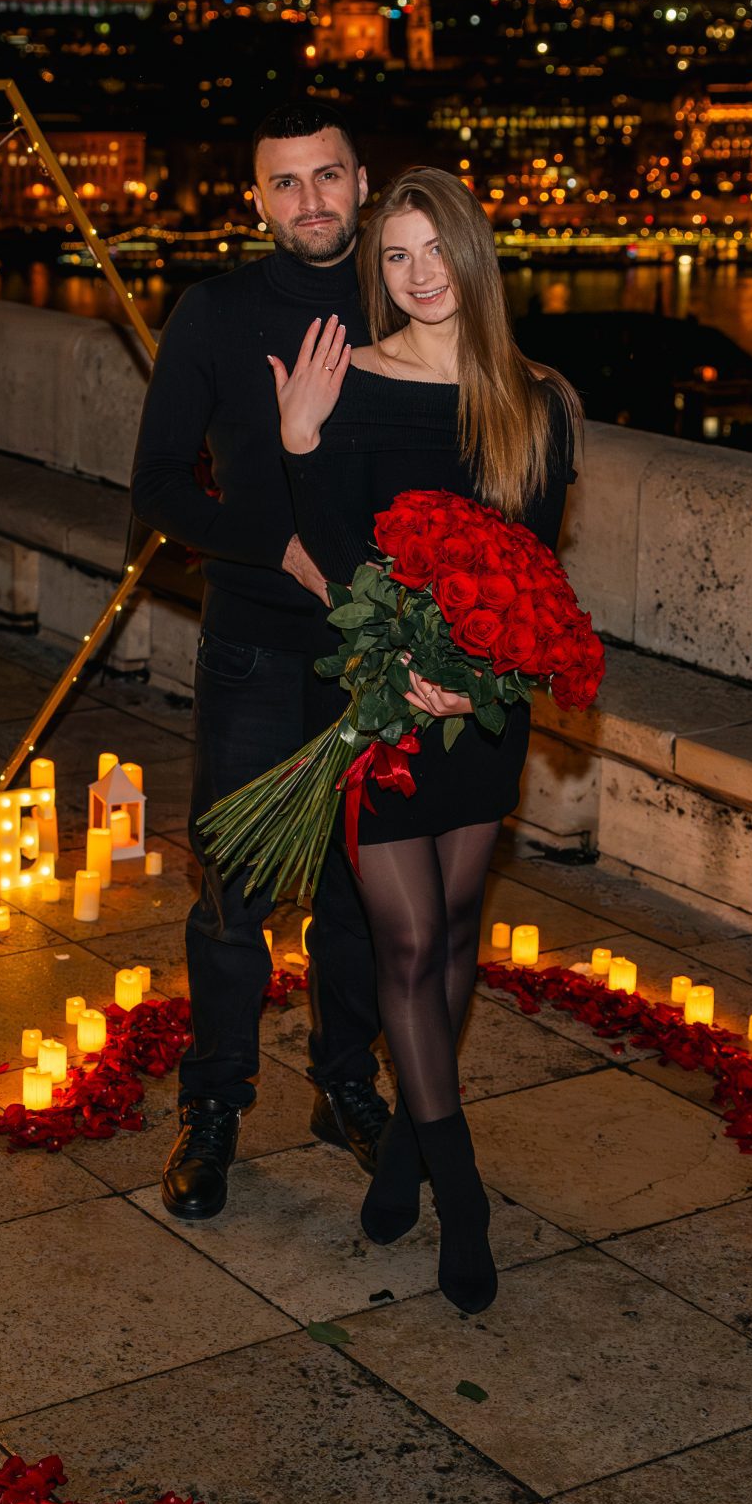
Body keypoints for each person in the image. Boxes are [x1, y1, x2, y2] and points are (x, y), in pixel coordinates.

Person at [270, 167, 581, 1313]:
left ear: (471, 255)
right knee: (403, 947)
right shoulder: (347, 380)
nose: (416, 275)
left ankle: (404, 1146)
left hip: (482, 707)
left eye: (433, 249)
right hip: (378, 705)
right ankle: (463, 1190)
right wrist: (301, 442)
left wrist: (476, 674)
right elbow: (341, 555)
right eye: (394, 255)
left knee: (455, 934)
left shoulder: (533, 400)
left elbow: (534, 567)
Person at [129, 100, 391, 1219]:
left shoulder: (406, 300)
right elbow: (158, 489)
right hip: (250, 648)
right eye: (285, 185)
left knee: (360, 898)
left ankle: (345, 1087)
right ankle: (215, 1109)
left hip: (373, 656)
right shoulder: (216, 313)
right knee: (234, 900)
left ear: (363, 182)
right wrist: (277, 542)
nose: (309, 204)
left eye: (326, 178)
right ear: (255, 200)